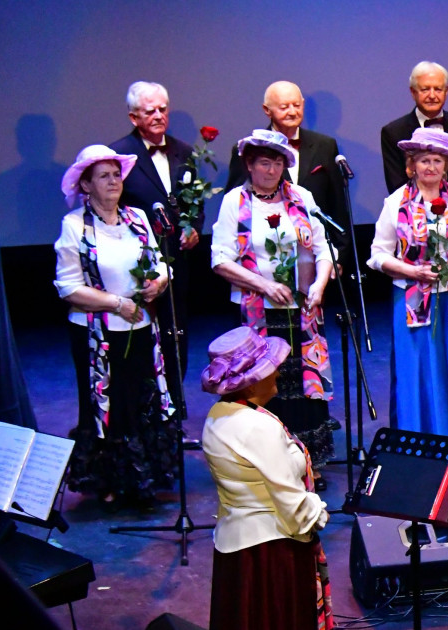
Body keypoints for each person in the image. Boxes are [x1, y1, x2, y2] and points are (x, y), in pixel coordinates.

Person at [53, 145, 176, 511]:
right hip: (98, 335)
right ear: (86, 185)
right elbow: (68, 286)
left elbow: (159, 264)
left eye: (116, 174)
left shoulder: (137, 218)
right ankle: (110, 481)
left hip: (139, 329)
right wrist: (116, 303)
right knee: (109, 406)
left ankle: (144, 478)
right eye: (103, 176)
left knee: (141, 401)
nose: (113, 181)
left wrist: (158, 282)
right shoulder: (75, 225)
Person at [211, 129, 334, 489]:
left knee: (303, 385)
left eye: (278, 162)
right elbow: (220, 259)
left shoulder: (302, 197)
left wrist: (319, 286)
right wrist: (263, 284)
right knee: (269, 386)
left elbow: (324, 249)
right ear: (249, 165)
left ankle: (308, 463)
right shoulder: (236, 201)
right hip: (259, 311)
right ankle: (271, 464)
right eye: (264, 162)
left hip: (301, 309)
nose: (271, 169)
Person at [200, 326, 332, 630]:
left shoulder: (219, 414)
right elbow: (290, 501)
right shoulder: (257, 427)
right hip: (270, 551)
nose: (277, 372)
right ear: (251, 383)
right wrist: (318, 516)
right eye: (269, 367)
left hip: (237, 544)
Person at [368, 128, 448, 441]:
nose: (431, 167)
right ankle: (420, 444)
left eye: (437, 160)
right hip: (411, 300)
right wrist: (412, 271)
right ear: (412, 165)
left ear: (446, 165)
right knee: (417, 373)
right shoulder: (396, 202)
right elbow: (378, 256)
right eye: (424, 160)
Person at [108, 81, 199, 410]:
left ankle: (175, 404)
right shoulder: (118, 155)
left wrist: (193, 227)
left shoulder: (185, 151)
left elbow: (194, 203)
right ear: (134, 117)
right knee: (145, 336)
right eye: (150, 111)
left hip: (179, 261)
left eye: (163, 109)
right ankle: (146, 408)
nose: (159, 116)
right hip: (139, 264)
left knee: (178, 333)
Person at [226, 81, 349, 249]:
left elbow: (338, 204)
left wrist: (340, 255)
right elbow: (239, 204)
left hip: (319, 247)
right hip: (268, 248)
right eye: (284, 107)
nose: (292, 112)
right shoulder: (249, 150)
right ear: (266, 110)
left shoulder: (325, 145)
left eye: (297, 105)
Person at [381, 61, 448, 197]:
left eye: (438, 89)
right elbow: (397, 185)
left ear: (446, 92)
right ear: (413, 92)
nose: (432, 95)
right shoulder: (393, 132)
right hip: (412, 213)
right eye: (425, 89)